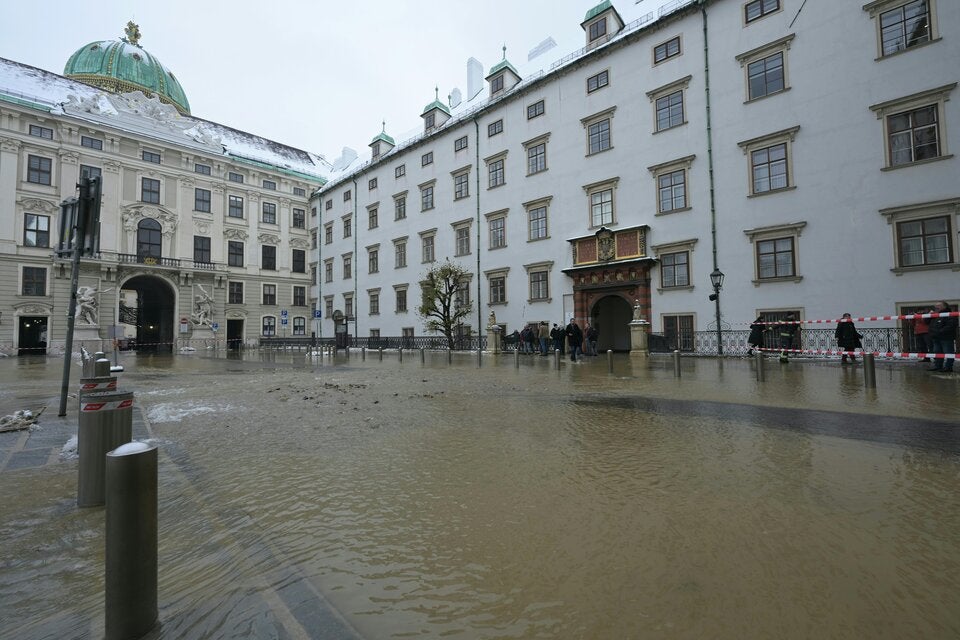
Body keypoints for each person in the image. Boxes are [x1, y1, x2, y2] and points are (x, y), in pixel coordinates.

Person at [927, 300, 957, 373]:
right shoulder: (935, 315)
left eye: (938, 305)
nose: (936, 307)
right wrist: (929, 315)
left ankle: (948, 367)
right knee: (937, 352)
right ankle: (938, 366)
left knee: (948, 353)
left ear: (944, 306)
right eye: (935, 306)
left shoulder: (950, 314)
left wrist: (939, 332)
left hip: (946, 338)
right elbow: (927, 322)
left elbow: (950, 326)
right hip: (936, 338)